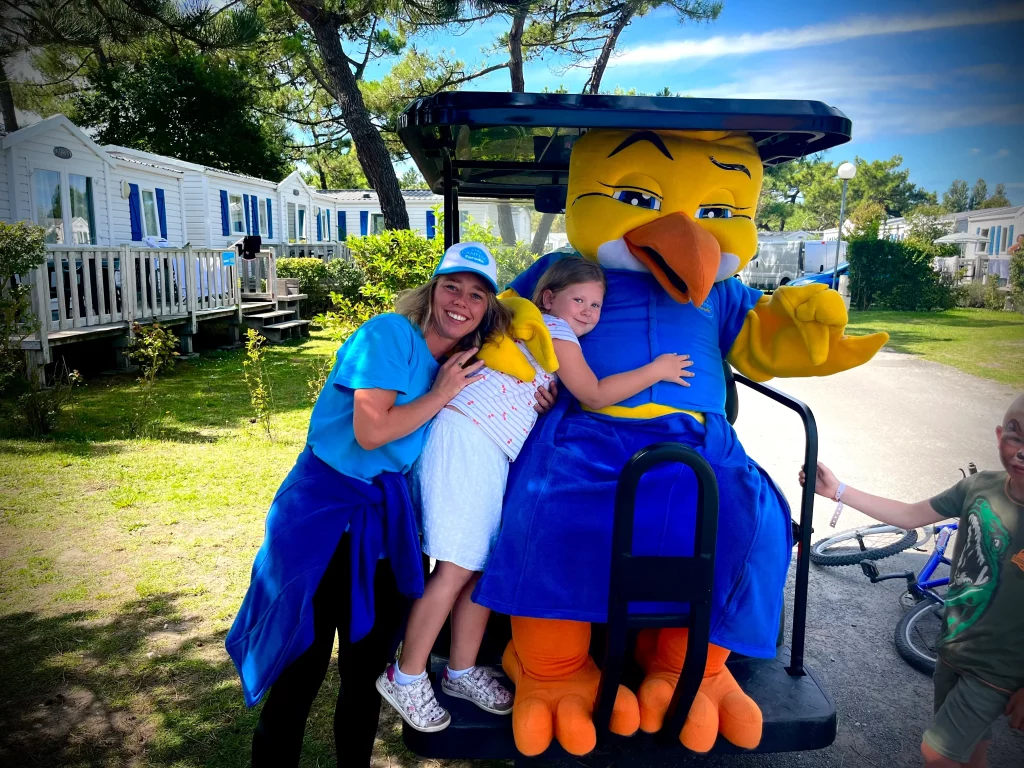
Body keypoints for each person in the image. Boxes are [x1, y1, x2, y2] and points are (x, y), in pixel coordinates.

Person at [226, 242, 556, 767]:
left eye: (476, 295)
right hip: (322, 519)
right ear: (432, 290)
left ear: (486, 310)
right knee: (301, 669)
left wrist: (540, 396)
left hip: (382, 528)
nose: (461, 302)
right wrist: (441, 394)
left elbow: (502, 406)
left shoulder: (458, 364)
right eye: (452, 286)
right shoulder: (389, 334)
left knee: (365, 673)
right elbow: (371, 428)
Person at [377, 254, 695, 732]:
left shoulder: (542, 338)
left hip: (484, 445)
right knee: (456, 568)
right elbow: (592, 392)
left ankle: (461, 670)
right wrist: (658, 370)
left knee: (480, 565)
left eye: (597, 304)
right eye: (579, 300)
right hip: (468, 438)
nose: (589, 311)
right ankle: (406, 674)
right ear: (549, 299)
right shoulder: (556, 330)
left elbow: (538, 388)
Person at [799, 393, 1024, 768]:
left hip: (1002, 667)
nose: (1022, 452)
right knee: (972, 750)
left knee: (938, 752)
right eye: (1016, 435)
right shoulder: (977, 487)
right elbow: (908, 515)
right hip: (954, 646)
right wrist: (836, 490)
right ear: (999, 433)